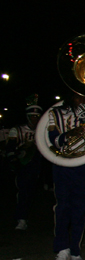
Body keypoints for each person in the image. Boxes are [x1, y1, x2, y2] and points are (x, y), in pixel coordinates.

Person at [48, 92, 85, 260]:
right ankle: (62, 249)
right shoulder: (55, 113)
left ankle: (75, 249)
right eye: (79, 96)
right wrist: (70, 134)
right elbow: (52, 139)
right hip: (63, 163)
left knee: (80, 208)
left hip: (83, 165)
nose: (84, 100)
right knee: (62, 207)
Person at [7, 98, 43, 231]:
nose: (35, 119)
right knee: (23, 192)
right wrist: (15, 160)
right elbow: (10, 149)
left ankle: (25, 216)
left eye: (37, 116)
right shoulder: (17, 130)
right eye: (32, 116)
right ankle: (21, 218)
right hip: (23, 165)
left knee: (31, 192)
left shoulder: (41, 131)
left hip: (37, 165)